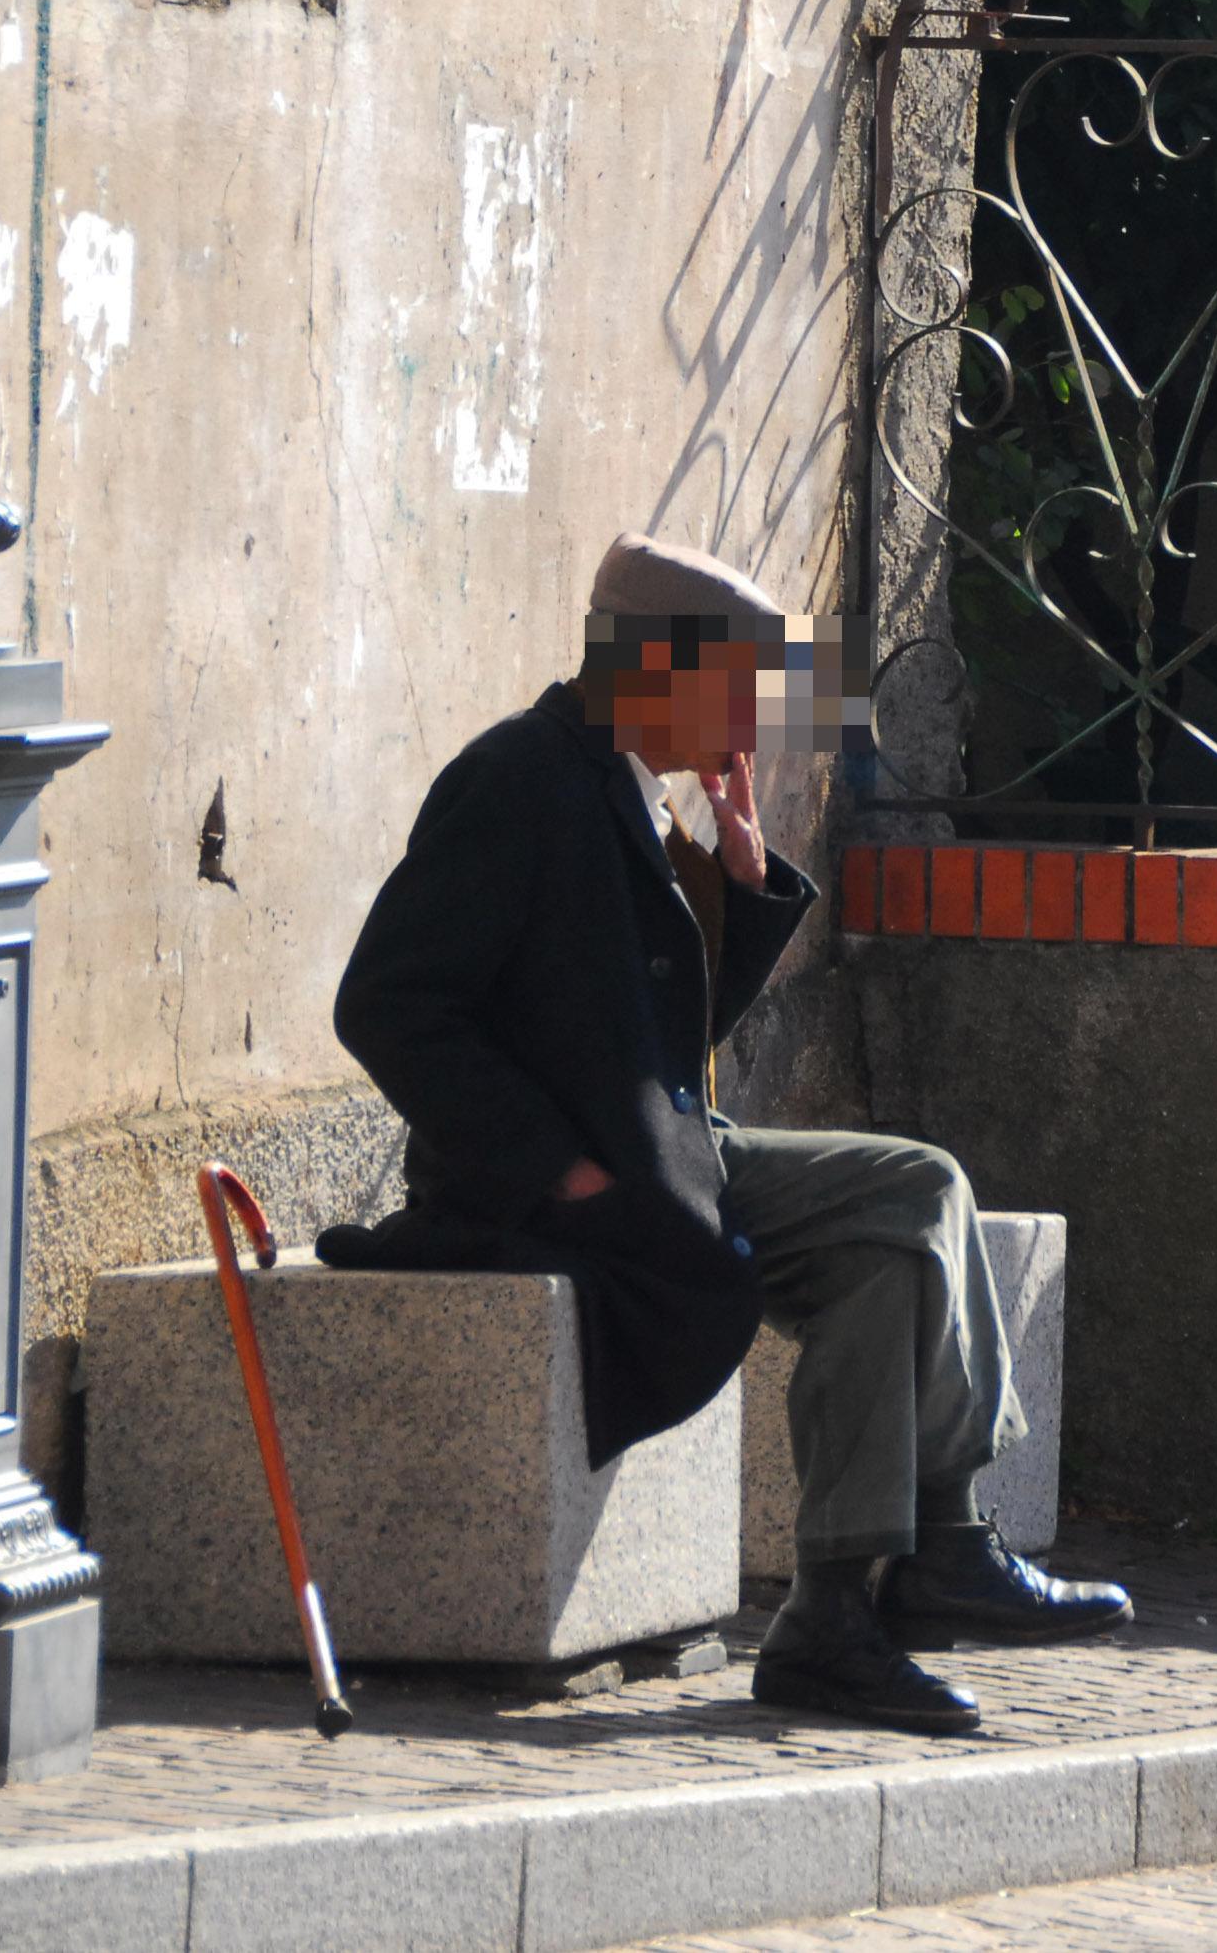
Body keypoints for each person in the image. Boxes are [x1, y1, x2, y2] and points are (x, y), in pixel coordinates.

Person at [326, 532, 1127, 1734]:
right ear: (655, 665)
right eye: (738, 684)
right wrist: (563, 1170)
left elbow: (652, 1039)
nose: (755, 718)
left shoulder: (626, 791)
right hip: (558, 1184)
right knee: (915, 1185)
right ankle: (946, 1541)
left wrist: (742, 888)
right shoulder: (519, 778)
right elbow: (385, 1004)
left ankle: (833, 1620)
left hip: (656, 1153)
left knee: (885, 1250)